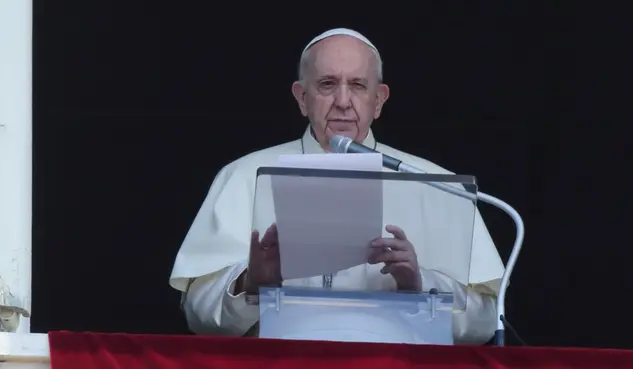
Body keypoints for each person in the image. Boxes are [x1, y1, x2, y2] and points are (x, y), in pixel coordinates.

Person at [170, 28, 504, 345]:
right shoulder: (243, 175)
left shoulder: (435, 185)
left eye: (358, 85)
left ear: (378, 100)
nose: (343, 101)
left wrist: (419, 285)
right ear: (302, 98)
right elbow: (198, 315)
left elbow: (484, 322)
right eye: (328, 84)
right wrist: (253, 284)